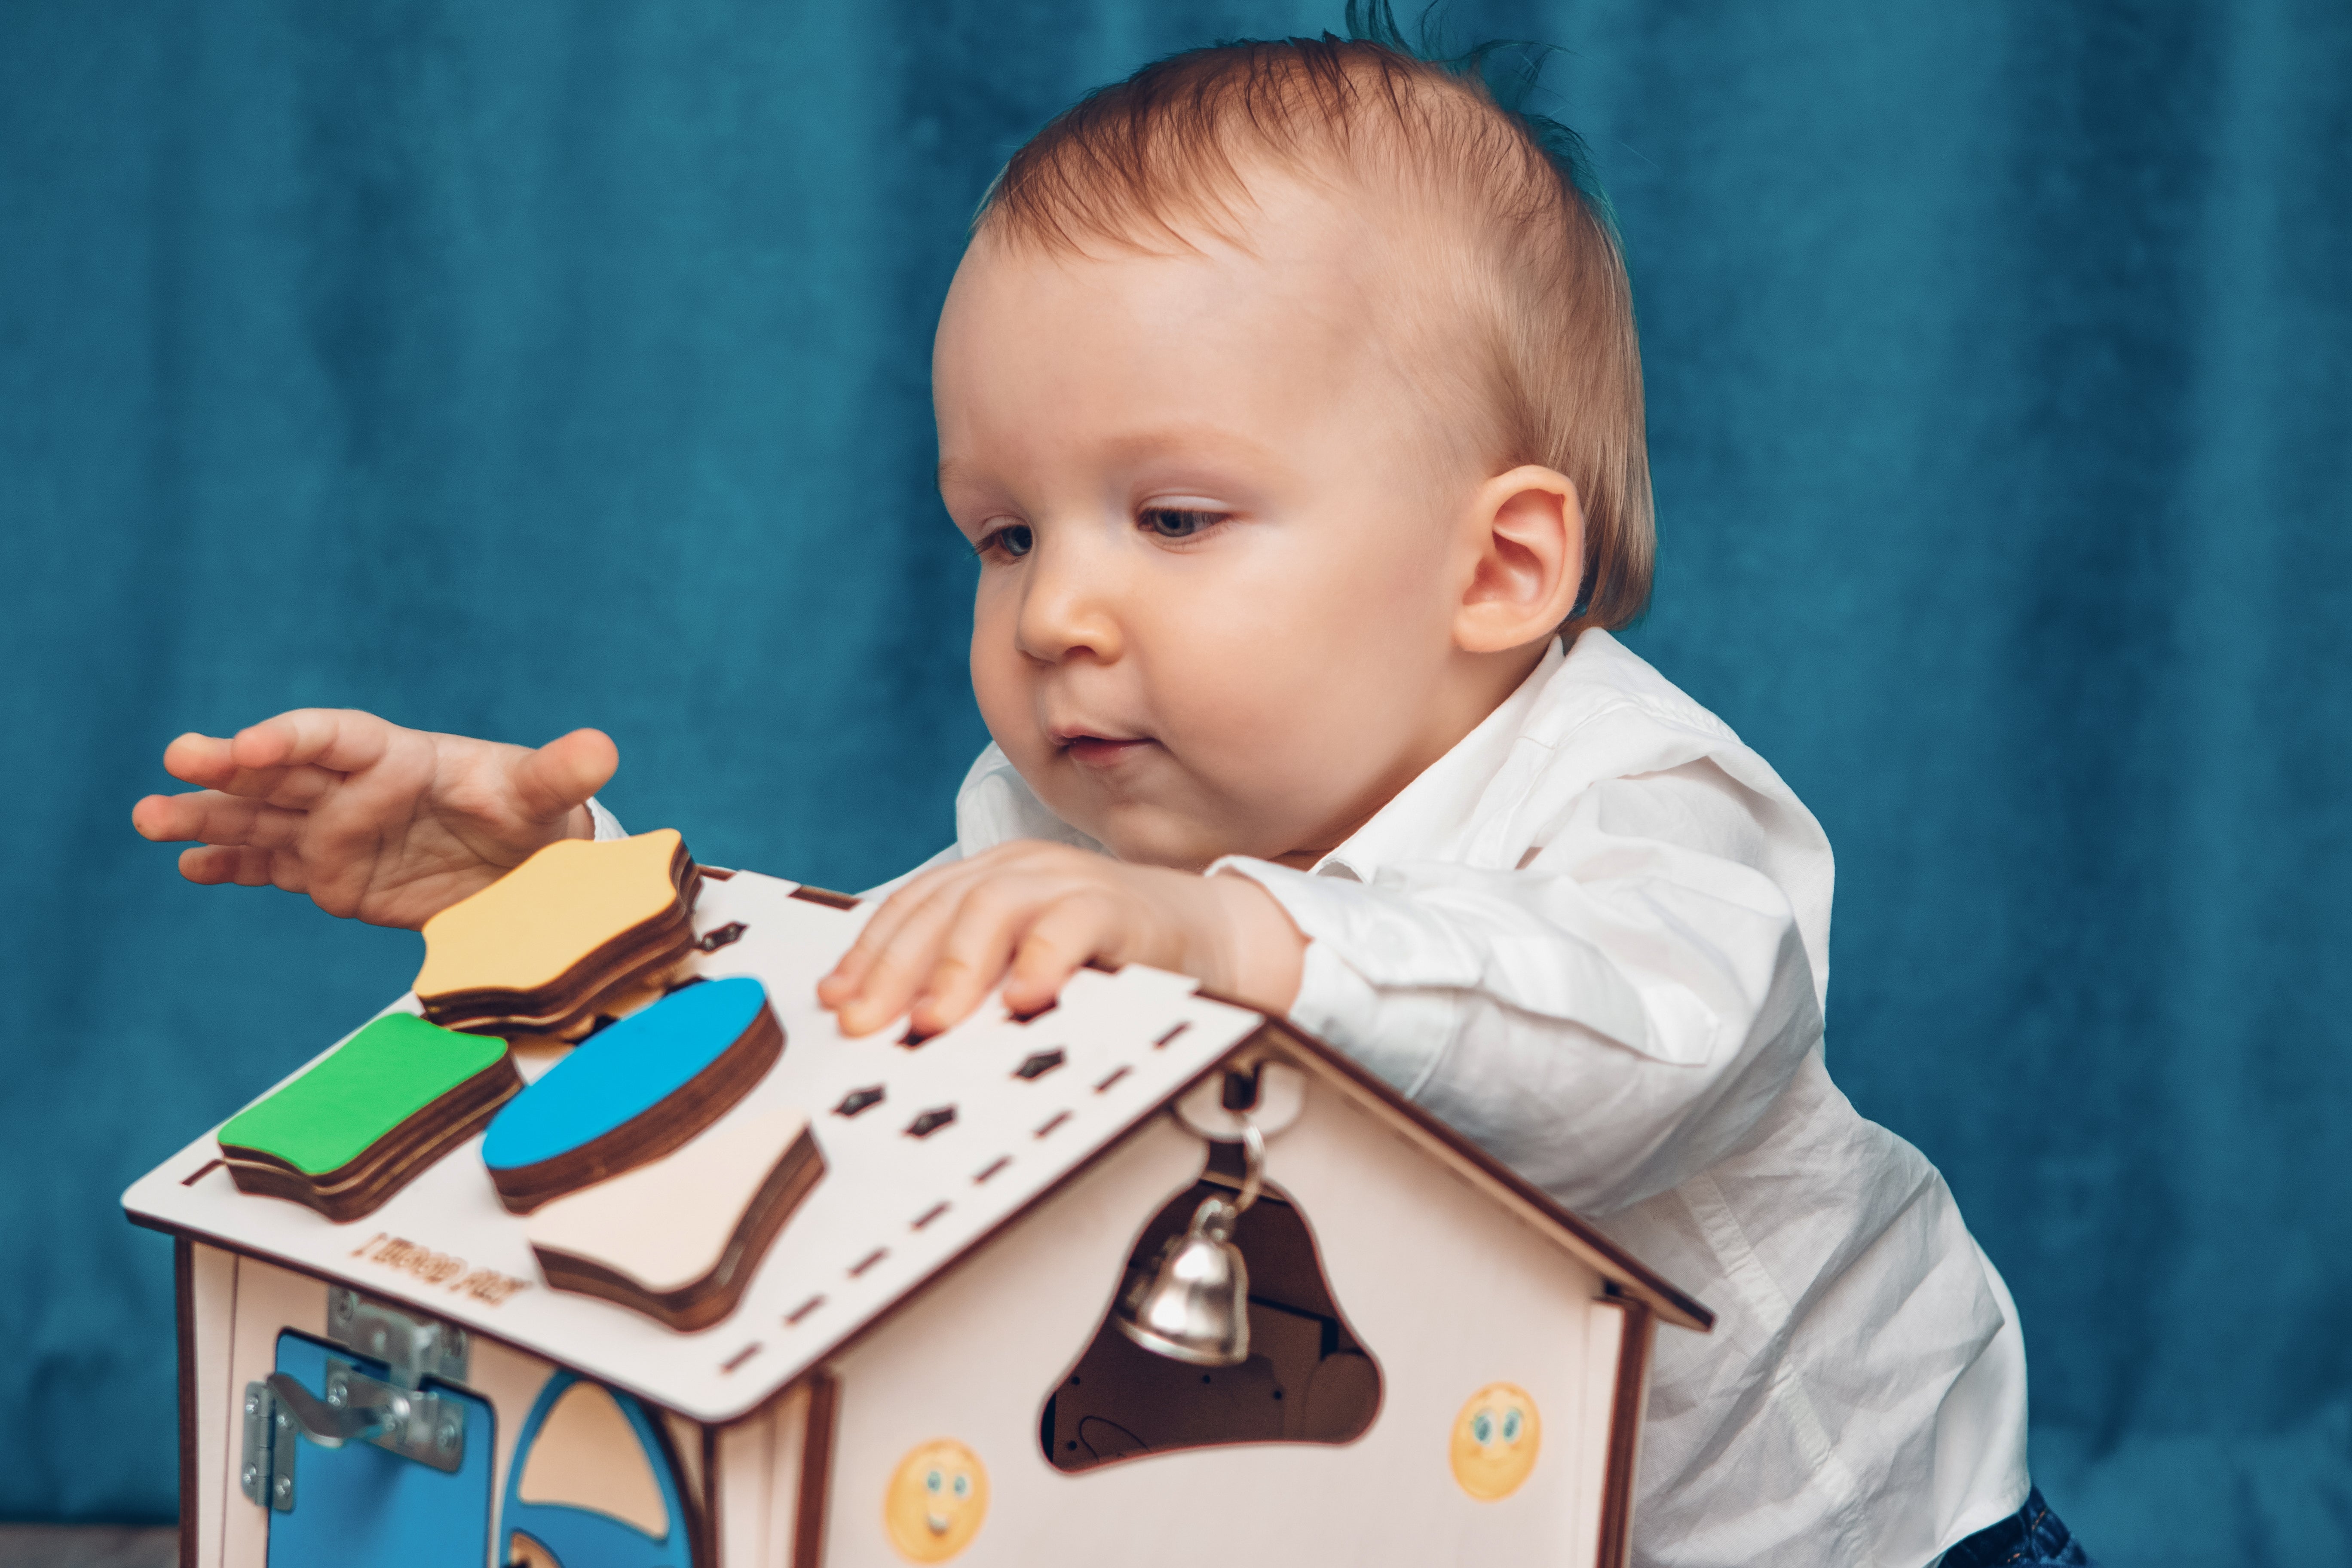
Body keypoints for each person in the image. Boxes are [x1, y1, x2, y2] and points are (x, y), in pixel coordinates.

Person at [129, 15, 2095, 1567]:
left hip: (1831, 1534)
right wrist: (550, 904)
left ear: (1498, 570)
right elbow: (867, 1063)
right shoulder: (1077, 823)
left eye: (1171, 515)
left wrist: (1242, 944)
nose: (1061, 608)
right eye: (1001, 535)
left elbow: (1643, 1052)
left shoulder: (1644, 803)